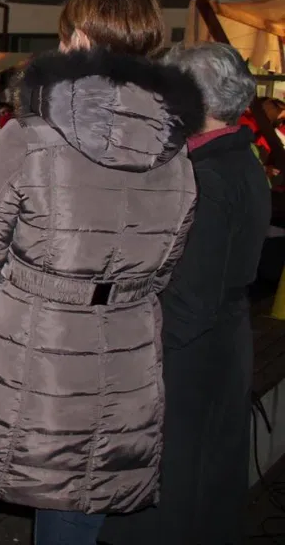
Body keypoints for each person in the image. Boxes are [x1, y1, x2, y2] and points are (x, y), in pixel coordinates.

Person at [0, 0, 203, 543]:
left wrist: (0, 320)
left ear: (75, 38)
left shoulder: (30, 133)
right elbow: (166, 265)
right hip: (122, 354)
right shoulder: (177, 151)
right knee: (76, 507)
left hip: (26, 342)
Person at [102, 42, 269, 545]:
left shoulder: (210, 177)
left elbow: (188, 301)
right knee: (202, 487)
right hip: (216, 345)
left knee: (176, 498)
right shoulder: (237, 158)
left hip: (188, 361)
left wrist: (129, 351)